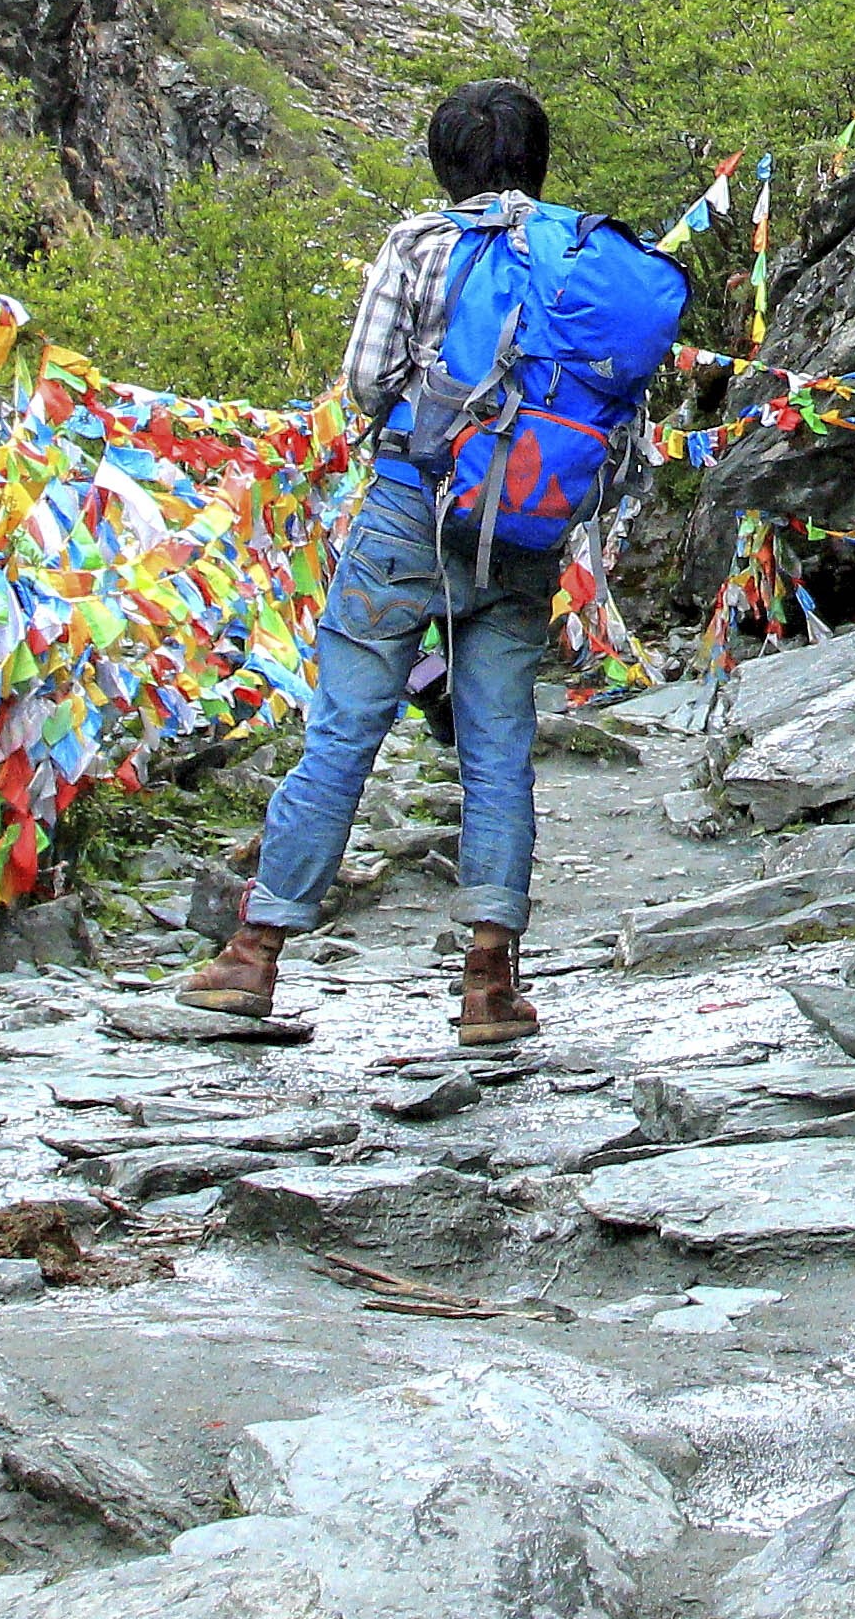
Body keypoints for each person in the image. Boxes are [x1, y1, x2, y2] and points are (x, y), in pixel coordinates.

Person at [180, 79, 682, 1041]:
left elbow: (369, 384)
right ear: (537, 160)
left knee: (345, 729)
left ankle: (253, 956)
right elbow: (620, 432)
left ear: (446, 162)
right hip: (526, 537)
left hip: (411, 509)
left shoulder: (422, 244)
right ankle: (490, 985)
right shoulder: (591, 260)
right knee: (500, 752)